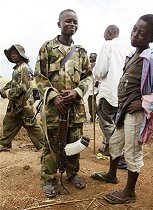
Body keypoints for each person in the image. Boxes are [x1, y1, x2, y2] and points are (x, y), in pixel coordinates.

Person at [91, 14, 153, 204]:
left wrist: (145, 103)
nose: (135, 35)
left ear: (152, 38)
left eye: (142, 33)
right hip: (123, 110)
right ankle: (111, 174)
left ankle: (129, 192)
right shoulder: (132, 56)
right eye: (134, 29)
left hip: (136, 113)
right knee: (114, 142)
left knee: (132, 150)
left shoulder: (152, 59)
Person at [34, 9, 93, 198]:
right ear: (59, 24)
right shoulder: (47, 48)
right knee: (52, 144)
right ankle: (49, 179)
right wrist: (53, 96)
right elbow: (39, 76)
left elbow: (88, 77)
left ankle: (72, 174)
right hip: (54, 109)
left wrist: (77, 92)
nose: (72, 25)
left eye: (75, 22)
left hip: (75, 109)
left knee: (74, 143)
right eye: (67, 21)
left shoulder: (82, 52)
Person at [0, 44, 44, 152]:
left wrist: (6, 93)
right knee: (9, 121)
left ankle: (44, 145)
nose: (13, 55)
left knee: (31, 125)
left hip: (23, 104)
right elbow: (13, 83)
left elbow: (20, 89)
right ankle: (5, 144)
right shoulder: (19, 68)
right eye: (11, 54)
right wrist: (3, 89)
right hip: (18, 104)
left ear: (21, 55)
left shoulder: (22, 68)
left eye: (15, 53)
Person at [93, 24, 127, 157]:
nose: (104, 37)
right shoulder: (125, 48)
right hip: (122, 92)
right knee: (116, 122)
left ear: (110, 32)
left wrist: (94, 75)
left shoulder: (108, 45)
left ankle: (120, 153)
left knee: (106, 122)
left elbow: (100, 70)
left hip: (109, 90)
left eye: (104, 34)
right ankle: (108, 148)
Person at [87, 53, 100, 123]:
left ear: (95, 58)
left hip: (94, 88)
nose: (90, 58)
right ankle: (96, 117)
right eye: (90, 57)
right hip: (90, 88)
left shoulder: (97, 66)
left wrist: (96, 83)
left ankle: (93, 118)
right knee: (92, 104)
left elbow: (98, 76)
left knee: (91, 103)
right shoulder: (89, 66)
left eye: (92, 57)